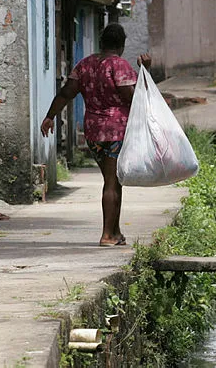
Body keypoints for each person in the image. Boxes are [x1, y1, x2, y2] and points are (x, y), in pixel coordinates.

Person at [40, 23, 150, 247]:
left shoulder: (85, 65)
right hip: (115, 131)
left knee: (113, 181)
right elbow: (135, 97)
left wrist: (49, 116)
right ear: (121, 44)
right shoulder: (119, 66)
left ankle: (116, 231)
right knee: (112, 182)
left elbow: (66, 93)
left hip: (92, 131)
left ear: (102, 42)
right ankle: (107, 235)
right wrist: (145, 71)